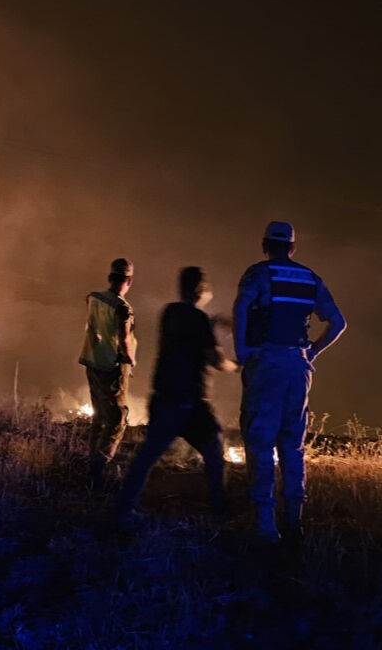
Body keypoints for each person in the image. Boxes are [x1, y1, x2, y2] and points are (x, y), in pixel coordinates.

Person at [233, 221, 346, 546]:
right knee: (292, 444)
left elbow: (242, 306)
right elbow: (338, 322)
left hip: (266, 362)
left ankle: (266, 525)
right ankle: (294, 518)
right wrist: (312, 352)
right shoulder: (310, 278)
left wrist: (242, 350)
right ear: (293, 248)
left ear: (264, 245)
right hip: (298, 365)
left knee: (260, 441)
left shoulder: (258, 274)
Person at [117, 267, 236, 522]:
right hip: (191, 403)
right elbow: (215, 359)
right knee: (214, 456)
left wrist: (212, 322)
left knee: (146, 457)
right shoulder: (197, 320)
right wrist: (238, 365)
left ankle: (122, 510)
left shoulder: (169, 313)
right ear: (201, 290)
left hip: (164, 398)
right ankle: (219, 511)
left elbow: (191, 326)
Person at [79, 257, 137, 489]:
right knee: (117, 419)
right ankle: (98, 468)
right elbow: (124, 339)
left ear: (110, 278)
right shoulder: (123, 308)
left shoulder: (93, 298)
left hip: (91, 361)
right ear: (129, 281)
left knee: (99, 416)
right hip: (112, 366)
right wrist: (130, 360)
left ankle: (92, 459)